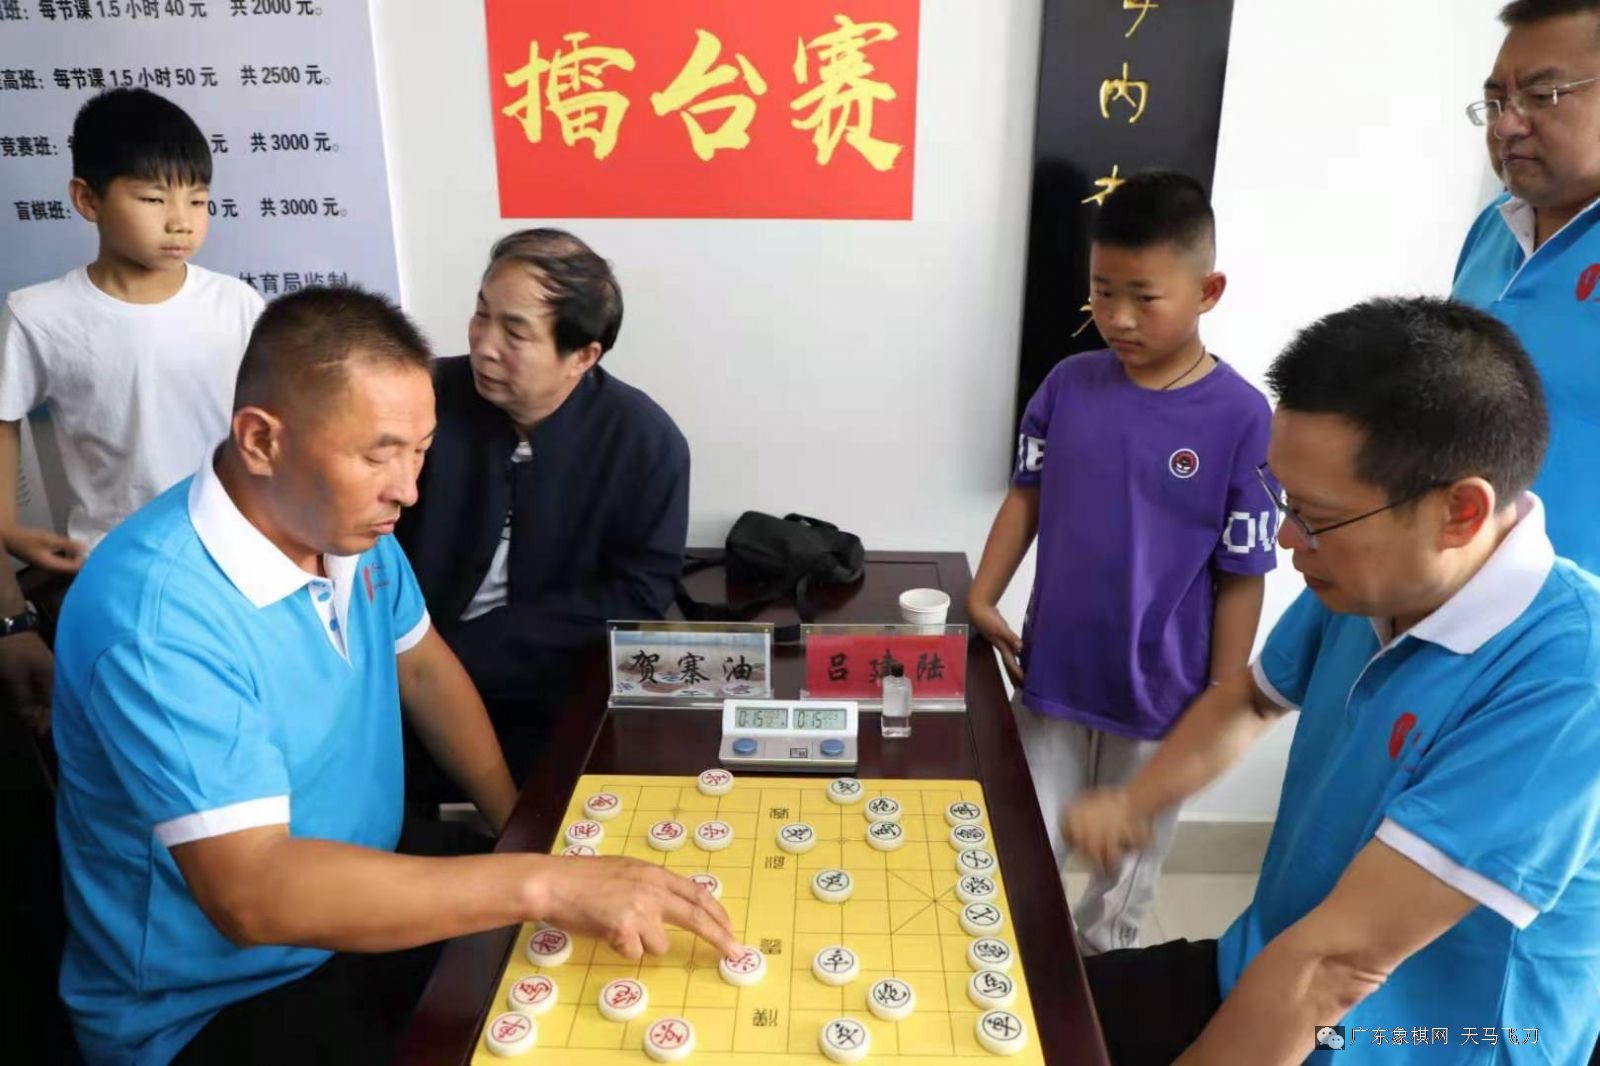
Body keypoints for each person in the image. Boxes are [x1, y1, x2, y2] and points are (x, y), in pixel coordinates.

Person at [51, 287, 737, 1065]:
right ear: (261, 440)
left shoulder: (342, 529)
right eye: (379, 455)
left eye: (420, 451)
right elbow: (253, 893)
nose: (407, 489)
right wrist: (542, 882)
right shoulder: (157, 619)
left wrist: (522, 830)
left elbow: (426, 673)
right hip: (218, 999)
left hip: (374, 889)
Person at [1066, 297, 1600, 1065]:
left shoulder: (1569, 681)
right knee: (1021, 1008)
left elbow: (1336, 970)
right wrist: (1135, 802)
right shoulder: (1368, 579)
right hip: (1268, 967)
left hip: (1421, 1043)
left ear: (1459, 512)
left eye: (1315, 516)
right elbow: (1250, 700)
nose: (1288, 538)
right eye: (1285, 500)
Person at [967, 171, 1275, 954]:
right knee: (1020, 842)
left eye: (1145, 297)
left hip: (1165, 691)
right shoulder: (1069, 385)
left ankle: (1103, 974)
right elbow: (1026, 498)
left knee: (1125, 871)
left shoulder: (1242, 417)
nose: (1119, 317)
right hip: (1056, 668)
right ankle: (1009, 964)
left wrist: (1222, 693)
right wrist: (982, 595)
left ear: (1207, 291)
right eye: (1103, 293)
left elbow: (1244, 570)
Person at [0, 87, 263, 732]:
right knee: (141, 736)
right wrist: (7, 524)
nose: (181, 222)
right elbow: (4, 420)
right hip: (115, 576)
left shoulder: (235, 305)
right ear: (87, 199)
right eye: (153, 199)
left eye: (197, 201)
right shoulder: (40, 315)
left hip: (236, 564)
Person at [397, 229, 690, 782]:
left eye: (515, 332)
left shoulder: (643, 442)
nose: (484, 344)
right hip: (403, 675)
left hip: (555, 690)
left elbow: (639, 592)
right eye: (482, 314)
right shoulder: (421, 398)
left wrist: (467, 654)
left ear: (583, 355)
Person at [1454, 0, 1600, 572]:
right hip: (1462, 597)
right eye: (1496, 102)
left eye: (1543, 95)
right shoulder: (1493, 227)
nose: (1506, 125)